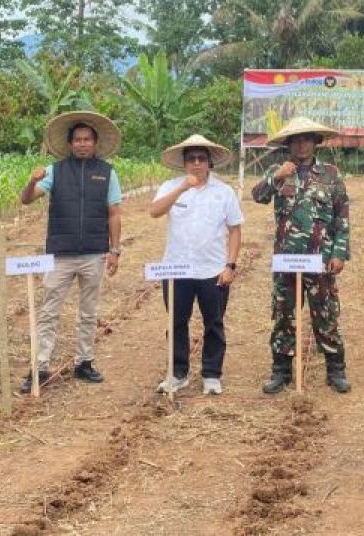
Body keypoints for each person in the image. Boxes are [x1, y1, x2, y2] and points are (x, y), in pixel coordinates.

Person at [18, 111, 123, 392]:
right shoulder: (54, 171)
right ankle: (40, 366)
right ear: (69, 143)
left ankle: (84, 362)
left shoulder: (107, 172)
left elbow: (114, 213)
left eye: (87, 139)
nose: (82, 144)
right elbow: (27, 200)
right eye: (77, 139)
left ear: (95, 143)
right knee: (50, 311)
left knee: (88, 312)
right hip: (59, 254)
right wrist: (31, 180)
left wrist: (115, 250)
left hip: (94, 253)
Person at [251, 116, 352, 394]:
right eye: (296, 139)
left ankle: (336, 369)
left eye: (307, 138)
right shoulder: (278, 169)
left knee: (326, 313)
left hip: (320, 260)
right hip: (287, 259)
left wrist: (340, 253)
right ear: (289, 143)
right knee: (284, 315)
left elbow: (341, 216)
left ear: (316, 142)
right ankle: (281, 371)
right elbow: (257, 196)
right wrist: (277, 177)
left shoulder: (330, 174)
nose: (302, 144)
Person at [149, 134, 244, 395]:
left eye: (202, 159)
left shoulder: (224, 192)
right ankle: (178, 373)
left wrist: (230, 265)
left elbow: (235, 230)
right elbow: (154, 211)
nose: (196, 164)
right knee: (177, 322)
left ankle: (212, 374)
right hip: (176, 269)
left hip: (212, 270)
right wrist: (181, 189)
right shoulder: (171, 186)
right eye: (191, 159)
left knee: (214, 322)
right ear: (184, 163)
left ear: (210, 163)